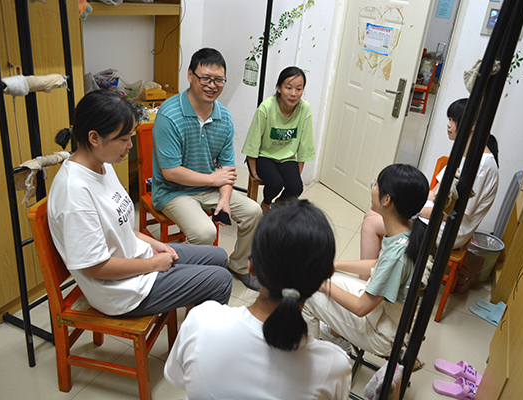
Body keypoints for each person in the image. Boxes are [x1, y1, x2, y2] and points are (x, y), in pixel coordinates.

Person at [48, 90, 232, 318]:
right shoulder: (74, 192)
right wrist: (154, 264)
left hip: (137, 259)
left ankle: (198, 322)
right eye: (123, 139)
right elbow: (95, 268)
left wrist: (154, 244)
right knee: (221, 280)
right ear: (94, 138)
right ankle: (198, 337)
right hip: (121, 292)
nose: (129, 146)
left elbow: (119, 225)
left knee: (218, 257)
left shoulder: (102, 165)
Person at [164, 200, 352, 399]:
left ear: (252, 267)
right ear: (326, 276)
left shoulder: (202, 320)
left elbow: (177, 379)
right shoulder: (334, 366)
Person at [151, 48, 262, 291]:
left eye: (219, 80)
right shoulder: (169, 115)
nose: (212, 85)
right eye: (206, 78)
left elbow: (227, 168)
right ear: (190, 75)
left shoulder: (225, 117)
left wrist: (224, 199)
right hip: (173, 191)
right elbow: (170, 172)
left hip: (209, 188)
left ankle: (239, 265)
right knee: (204, 233)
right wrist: (213, 179)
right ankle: (182, 278)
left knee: (253, 211)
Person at [302, 164, 429, 356]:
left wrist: (323, 285)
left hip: (382, 333)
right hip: (384, 314)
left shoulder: (397, 254)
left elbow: (361, 308)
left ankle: (308, 360)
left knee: (307, 292)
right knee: (325, 279)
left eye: (376, 184)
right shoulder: (408, 230)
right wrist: (334, 265)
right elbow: (379, 265)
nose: (373, 188)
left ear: (387, 200)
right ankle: (334, 338)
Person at [360, 98, 499, 269]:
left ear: (472, 125)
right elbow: (434, 192)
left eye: (453, 120)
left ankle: (368, 277)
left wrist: (413, 210)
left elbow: (450, 214)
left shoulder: (481, 167)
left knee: (371, 224)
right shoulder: (465, 153)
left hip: (449, 230)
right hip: (436, 215)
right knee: (371, 214)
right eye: (449, 119)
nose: (449, 125)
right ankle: (378, 269)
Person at [242, 66, 316, 214]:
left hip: (287, 157)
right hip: (265, 156)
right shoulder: (266, 107)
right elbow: (253, 140)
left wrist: (296, 174)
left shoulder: (304, 108)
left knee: (296, 187)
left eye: (299, 89)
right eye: (288, 87)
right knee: (275, 183)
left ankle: (279, 202)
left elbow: (305, 143)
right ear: (279, 88)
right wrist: (254, 172)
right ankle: (266, 203)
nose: (293, 93)